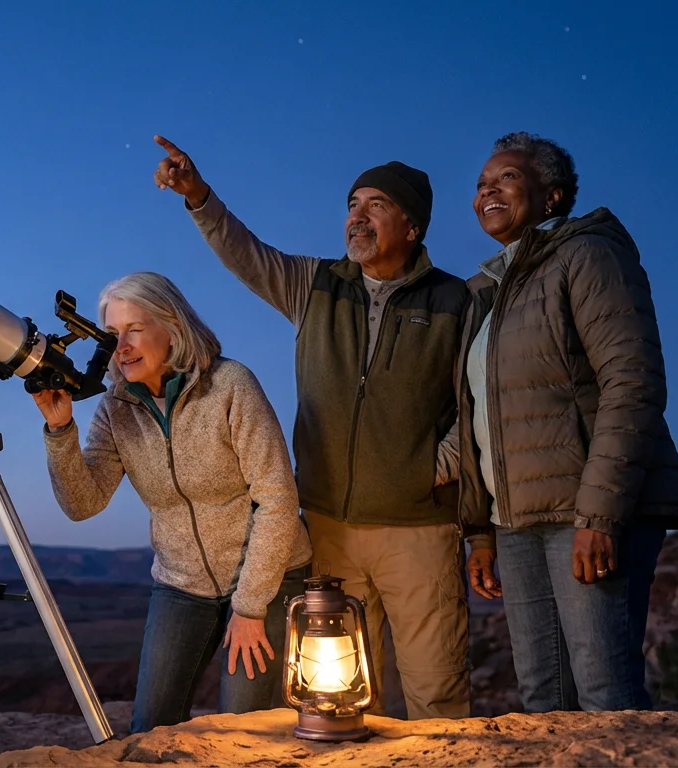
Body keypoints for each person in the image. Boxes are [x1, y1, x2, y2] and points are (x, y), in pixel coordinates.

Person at [152, 135, 472, 720]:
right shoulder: (315, 285)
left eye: (376, 205)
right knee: (335, 699)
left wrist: (430, 470)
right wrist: (198, 196)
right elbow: (246, 254)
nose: (358, 215)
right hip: (328, 529)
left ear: (413, 227)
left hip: (419, 530)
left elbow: (473, 405)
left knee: (436, 694)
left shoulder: (456, 300)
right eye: (353, 203)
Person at [453, 131, 678, 712]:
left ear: (552, 196)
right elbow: (476, 417)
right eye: (482, 183)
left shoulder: (588, 254)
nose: (487, 190)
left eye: (506, 178)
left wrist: (600, 516)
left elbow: (632, 380)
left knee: (604, 694)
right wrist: (481, 532)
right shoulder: (489, 291)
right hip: (517, 521)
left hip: (586, 515)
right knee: (543, 699)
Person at [31, 271, 312, 734]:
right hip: (182, 584)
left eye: (134, 330)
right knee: (151, 727)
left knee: (245, 729)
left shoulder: (230, 385)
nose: (120, 346)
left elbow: (278, 500)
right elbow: (83, 503)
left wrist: (250, 608)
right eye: (111, 334)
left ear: (173, 327)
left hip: (271, 578)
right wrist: (61, 431)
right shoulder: (115, 408)